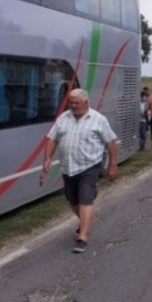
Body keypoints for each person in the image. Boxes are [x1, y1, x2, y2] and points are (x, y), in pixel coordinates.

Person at [40, 88, 118, 253]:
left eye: (76, 102)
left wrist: (112, 165)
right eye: (71, 102)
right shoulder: (63, 118)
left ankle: (82, 236)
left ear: (85, 102)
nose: (73, 105)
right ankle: (85, 219)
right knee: (72, 200)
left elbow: (111, 142)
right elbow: (51, 138)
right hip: (68, 167)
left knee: (85, 199)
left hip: (89, 167)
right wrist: (47, 158)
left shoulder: (98, 119)